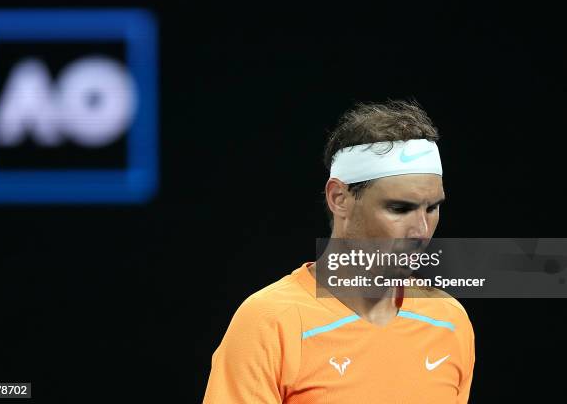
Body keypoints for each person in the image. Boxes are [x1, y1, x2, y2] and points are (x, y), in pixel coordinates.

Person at [203, 100, 475, 403]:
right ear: (339, 198)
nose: (422, 230)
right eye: (400, 208)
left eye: (432, 208)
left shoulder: (450, 321)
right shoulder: (269, 322)